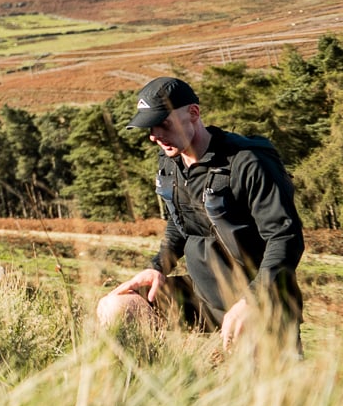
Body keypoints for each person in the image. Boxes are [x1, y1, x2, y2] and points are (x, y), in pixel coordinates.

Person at [96, 76, 304, 352]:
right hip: (200, 297)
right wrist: (158, 266)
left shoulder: (248, 162)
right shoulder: (171, 162)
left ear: (193, 113)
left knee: (260, 392)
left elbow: (285, 238)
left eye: (163, 123)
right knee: (116, 307)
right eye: (150, 127)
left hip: (261, 303)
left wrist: (255, 299)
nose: (154, 135)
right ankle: (154, 387)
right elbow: (180, 221)